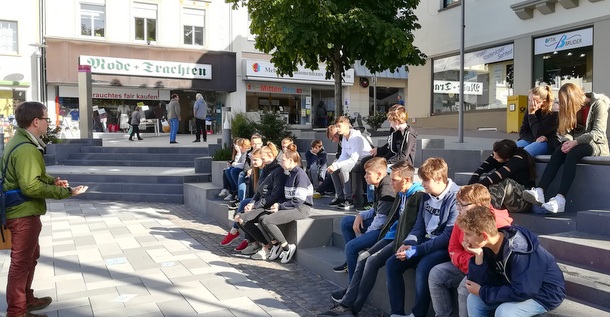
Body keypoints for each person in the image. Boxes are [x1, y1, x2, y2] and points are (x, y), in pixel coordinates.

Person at [2, 101, 89, 317]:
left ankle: (26, 300)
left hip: (22, 211)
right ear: (35, 121)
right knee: (21, 263)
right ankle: (17, 311)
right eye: (46, 119)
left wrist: (52, 181)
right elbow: (30, 185)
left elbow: (29, 176)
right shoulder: (27, 150)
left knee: (29, 258)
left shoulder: (19, 141)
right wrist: (66, 192)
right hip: (23, 213)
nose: (48, 123)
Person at [318, 161, 424, 317]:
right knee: (362, 257)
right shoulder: (402, 193)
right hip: (391, 235)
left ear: (407, 180)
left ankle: (352, 308)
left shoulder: (418, 196)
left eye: (394, 179)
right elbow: (390, 217)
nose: (391, 182)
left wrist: (405, 242)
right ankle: (347, 304)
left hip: (402, 240)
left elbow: (416, 227)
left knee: (371, 260)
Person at [458, 206, 566, 317]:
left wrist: (483, 292)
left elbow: (524, 290)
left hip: (544, 293)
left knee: (505, 312)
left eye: (468, 234)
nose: (464, 239)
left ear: (484, 236)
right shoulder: (486, 247)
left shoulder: (518, 249)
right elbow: (477, 284)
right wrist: (478, 255)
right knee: (474, 300)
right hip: (514, 288)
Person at [385, 157, 459, 317]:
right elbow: (419, 226)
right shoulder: (425, 195)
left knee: (424, 266)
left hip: (444, 247)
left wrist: (415, 250)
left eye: (426, 180)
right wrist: (407, 243)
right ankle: (397, 313)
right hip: (425, 242)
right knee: (392, 263)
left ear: (439, 179)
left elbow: (447, 237)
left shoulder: (455, 198)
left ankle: (418, 314)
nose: (422, 183)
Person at [428, 184, 513, 317]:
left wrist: (469, 261)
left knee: (465, 287)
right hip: (466, 264)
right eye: (457, 203)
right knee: (436, 273)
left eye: (462, 205)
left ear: (478, 205)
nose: (458, 208)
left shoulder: (497, 223)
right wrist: (465, 260)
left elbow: (488, 259)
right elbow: (453, 247)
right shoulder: (462, 218)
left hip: (485, 270)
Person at [523, 83, 610, 213]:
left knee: (573, 153)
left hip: (597, 145)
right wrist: (567, 141)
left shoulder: (599, 104)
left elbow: (598, 133)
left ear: (573, 99)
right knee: (559, 150)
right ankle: (540, 191)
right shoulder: (575, 108)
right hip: (578, 143)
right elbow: (569, 131)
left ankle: (560, 199)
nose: (564, 107)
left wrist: (575, 142)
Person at [332, 157, 395, 279]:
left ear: (379, 174)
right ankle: (350, 262)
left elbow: (381, 220)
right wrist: (360, 215)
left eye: (368, 173)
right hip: (379, 223)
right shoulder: (380, 183)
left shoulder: (386, 188)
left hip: (384, 230)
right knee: (346, 221)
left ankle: (351, 287)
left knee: (351, 247)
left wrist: (365, 235)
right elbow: (375, 209)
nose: (365, 176)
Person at [251, 144, 313, 263]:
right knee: (262, 218)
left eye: (283, 160)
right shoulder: (289, 173)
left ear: (291, 161)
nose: (281, 162)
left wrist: (280, 206)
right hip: (292, 205)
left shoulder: (300, 175)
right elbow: (287, 196)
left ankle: (286, 247)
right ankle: (275, 245)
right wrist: (277, 205)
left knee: (267, 221)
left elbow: (298, 200)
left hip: (301, 208)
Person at [235, 143, 287, 256]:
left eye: (263, 158)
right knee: (238, 217)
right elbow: (258, 191)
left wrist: (255, 205)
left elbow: (275, 195)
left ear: (269, 155)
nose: (262, 161)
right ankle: (258, 243)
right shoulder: (266, 169)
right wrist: (252, 202)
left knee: (243, 218)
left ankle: (267, 246)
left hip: (270, 204)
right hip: (261, 203)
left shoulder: (278, 171)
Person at [467, 139, 536, 213]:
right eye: (493, 154)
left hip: (521, 201)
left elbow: (499, 175)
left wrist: (476, 187)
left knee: (501, 181)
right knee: (483, 177)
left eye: (497, 158)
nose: (494, 158)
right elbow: (481, 169)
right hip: (505, 198)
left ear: (507, 159)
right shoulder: (498, 154)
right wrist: (469, 188)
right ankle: (475, 207)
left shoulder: (519, 158)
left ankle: (490, 214)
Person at [327, 116, 372, 209]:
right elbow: (344, 155)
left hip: (363, 160)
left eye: (339, 126)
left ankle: (349, 199)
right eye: (337, 126)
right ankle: (340, 197)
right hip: (354, 160)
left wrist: (337, 165)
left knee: (344, 168)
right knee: (333, 171)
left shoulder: (356, 137)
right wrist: (334, 165)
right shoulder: (344, 138)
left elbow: (353, 159)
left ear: (347, 125)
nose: (338, 129)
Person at [517, 85, 559, 157]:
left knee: (524, 154)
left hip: (548, 142)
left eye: (534, 101)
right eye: (529, 100)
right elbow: (523, 131)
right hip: (532, 139)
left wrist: (532, 114)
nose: (531, 104)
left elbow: (539, 132)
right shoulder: (530, 109)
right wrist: (534, 139)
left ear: (544, 101)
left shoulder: (554, 112)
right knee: (507, 150)